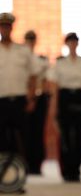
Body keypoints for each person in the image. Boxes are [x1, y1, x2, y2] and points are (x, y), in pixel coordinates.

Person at [0, 13, 37, 192]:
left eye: (7, 26)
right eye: (2, 26)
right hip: (1, 103)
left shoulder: (23, 51)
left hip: (19, 102)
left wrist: (31, 98)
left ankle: (19, 180)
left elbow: (33, 75)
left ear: (11, 28)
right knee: (1, 142)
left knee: (21, 142)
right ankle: (2, 180)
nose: (5, 29)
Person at [47, 33, 81, 182]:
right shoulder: (60, 63)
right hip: (64, 99)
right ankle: (66, 170)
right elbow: (55, 88)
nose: (72, 44)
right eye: (70, 42)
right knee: (65, 137)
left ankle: (77, 169)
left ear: (77, 44)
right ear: (67, 44)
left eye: (75, 42)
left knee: (79, 136)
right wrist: (54, 107)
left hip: (79, 98)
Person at [24, 30, 50, 174]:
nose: (30, 41)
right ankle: (25, 164)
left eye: (32, 39)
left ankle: (37, 165)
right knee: (25, 133)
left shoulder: (41, 59)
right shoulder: (21, 57)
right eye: (28, 39)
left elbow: (45, 80)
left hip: (39, 98)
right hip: (25, 97)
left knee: (38, 133)